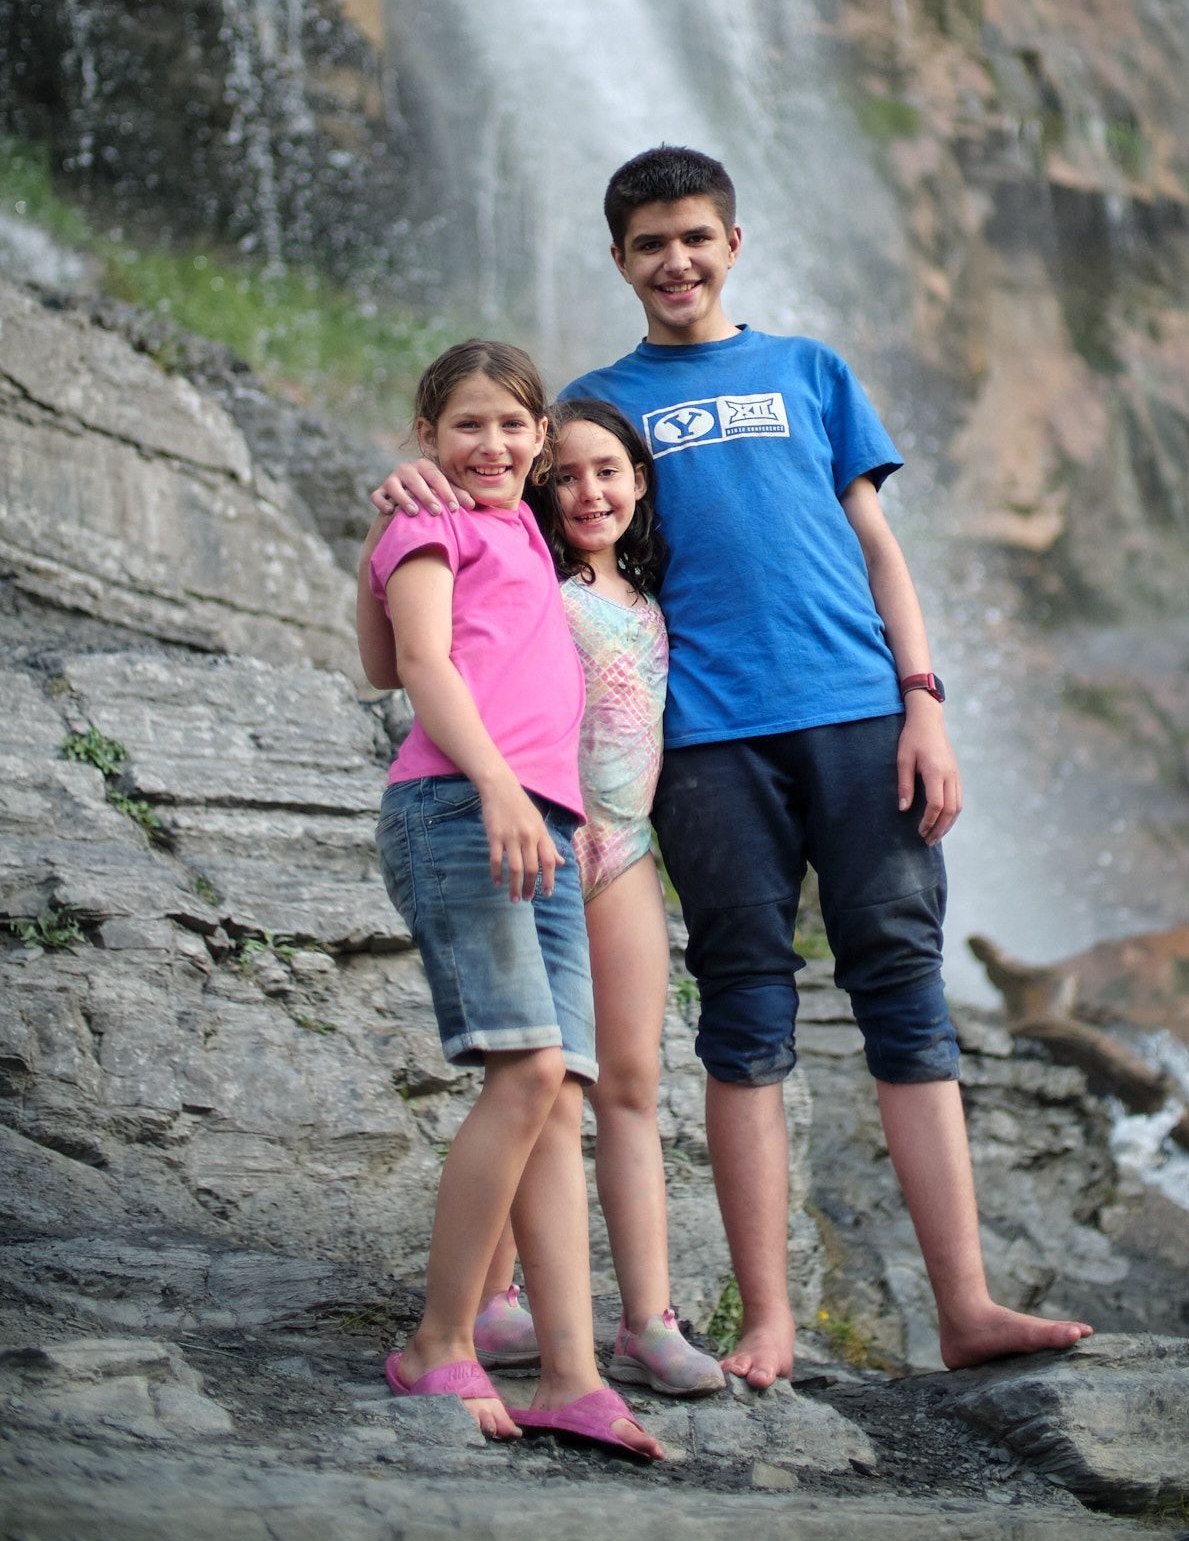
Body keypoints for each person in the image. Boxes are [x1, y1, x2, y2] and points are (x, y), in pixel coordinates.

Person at [371, 149, 1093, 1392]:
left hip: (861, 716)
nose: (676, 260)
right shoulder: (590, 406)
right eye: (650, 243)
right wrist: (408, 488)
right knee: (747, 1005)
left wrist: (925, 700)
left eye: (695, 237)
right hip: (704, 745)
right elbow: (498, 538)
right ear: (619, 260)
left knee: (904, 992)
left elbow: (878, 544)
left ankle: (966, 1302)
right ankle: (769, 1322)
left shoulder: (810, 371)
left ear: (734, 242)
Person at [358, 338, 662, 1457]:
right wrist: (498, 787)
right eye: (465, 425)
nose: (491, 443)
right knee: (527, 1068)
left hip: (546, 826)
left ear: (539, 442)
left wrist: (553, 809)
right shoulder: (426, 518)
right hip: (461, 807)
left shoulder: (528, 527)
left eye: (510, 425)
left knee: (560, 1093)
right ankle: (441, 1341)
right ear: (427, 437)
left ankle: (572, 1373)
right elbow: (411, 665)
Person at [468, 400, 724, 1395]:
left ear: (640, 481)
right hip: (544, 843)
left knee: (629, 1083)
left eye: (607, 470)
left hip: (626, 853)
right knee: (535, 1079)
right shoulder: (535, 580)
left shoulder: (651, 598)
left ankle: (647, 1318)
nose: (588, 491)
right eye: (565, 475)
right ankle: (498, 1295)